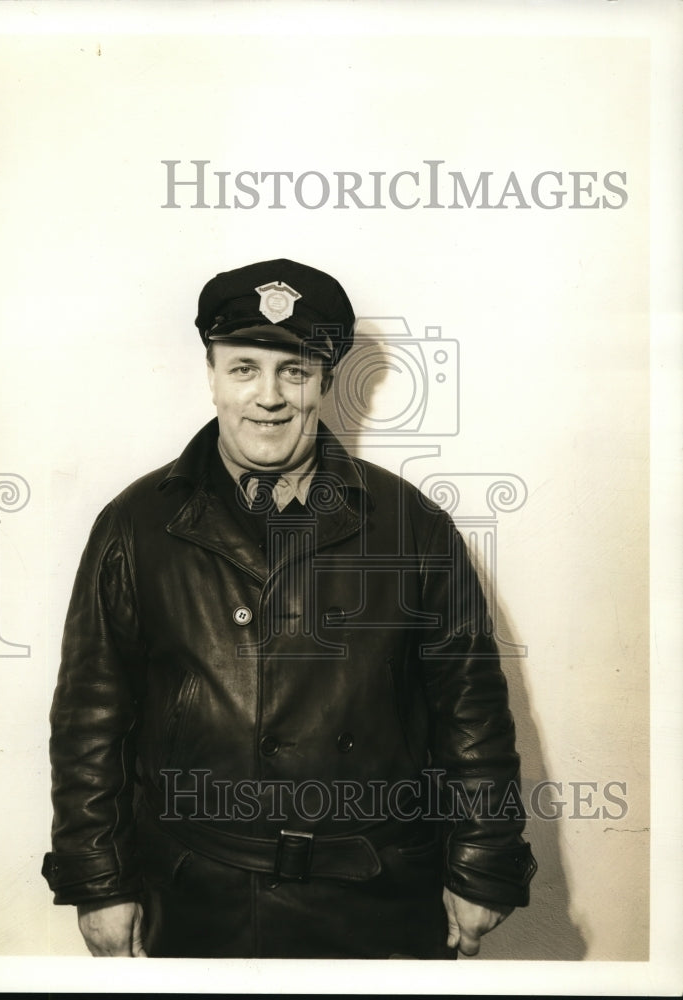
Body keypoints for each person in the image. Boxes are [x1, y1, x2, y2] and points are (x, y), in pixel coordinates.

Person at [42, 258, 536, 959]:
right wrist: (98, 881)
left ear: (327, 383)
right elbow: (91, 718)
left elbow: (470, 711)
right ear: (211, 374)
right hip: (200, 898)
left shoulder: (409, 525)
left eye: (293, 372)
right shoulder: (135, 525)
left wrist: (484, 864)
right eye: (244, 368)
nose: (267, 397)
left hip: (377, 897)